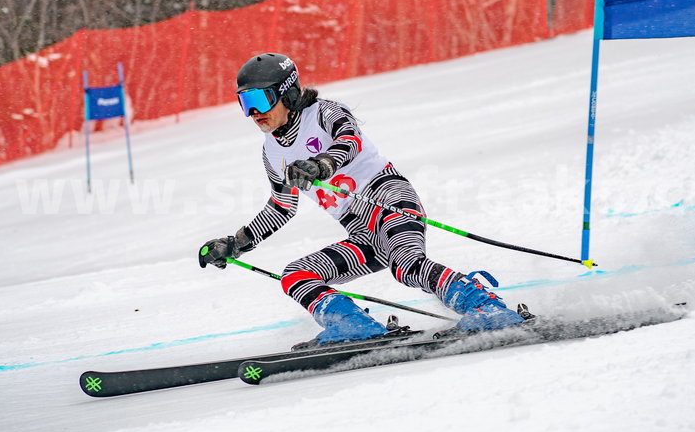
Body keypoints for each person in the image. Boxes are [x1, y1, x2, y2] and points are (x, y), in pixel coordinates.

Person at [199, 52, 525, 344]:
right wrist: (235, 242)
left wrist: (321, 164)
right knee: (296, 275)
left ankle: (486, 308)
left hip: (389, 199)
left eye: (260, 99)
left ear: (290, 94)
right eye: (245, 103)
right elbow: (281, 207)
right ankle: (352, 325)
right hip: (361, 230)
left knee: (406, 266)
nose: (254, 112)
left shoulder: (325, 113)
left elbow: (349, 142)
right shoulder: (272, 152)